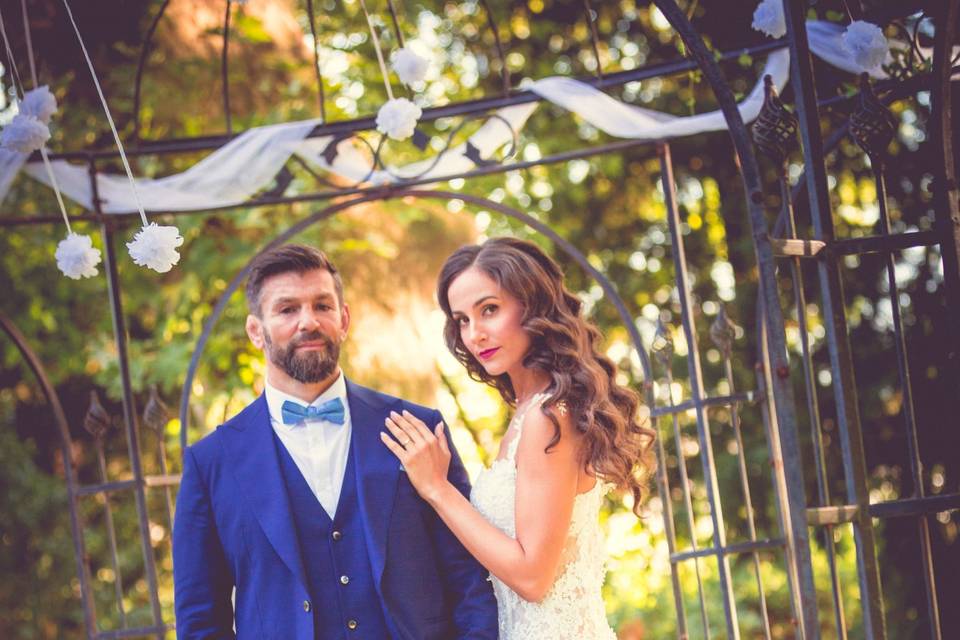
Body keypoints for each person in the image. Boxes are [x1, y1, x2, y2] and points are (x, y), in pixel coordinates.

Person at [172, 244, 498, 639]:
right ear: (256, 330)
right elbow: (201, 619)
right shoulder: (211, 463)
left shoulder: (417, 427)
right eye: (287, 309)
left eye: (322, 306)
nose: (308, 322)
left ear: (343, 319)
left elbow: (469, 579)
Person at [381, 236, 656, 640]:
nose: (474, 334)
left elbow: (531, 577)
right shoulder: (527, 414)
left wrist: (438, 489)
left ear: (532, 307)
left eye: (489, 310)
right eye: (462, 320)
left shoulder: (548, 417)